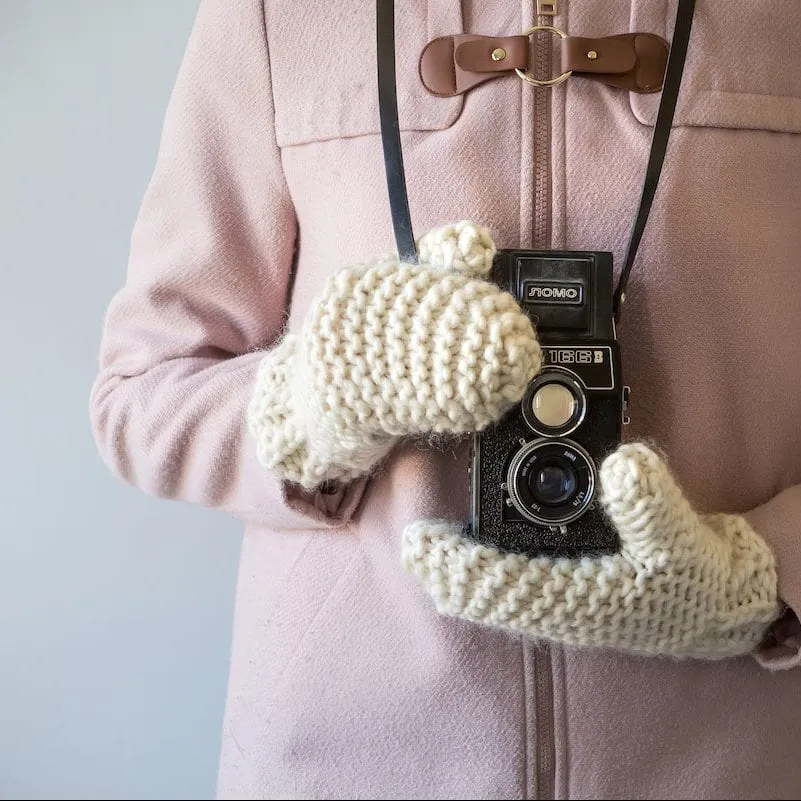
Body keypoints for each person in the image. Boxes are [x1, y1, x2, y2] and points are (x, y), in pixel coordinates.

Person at [90, 0, 801, 797]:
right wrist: (314, 399)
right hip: (345, 762)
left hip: (730, 761)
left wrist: (765, 577)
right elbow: (142, 392)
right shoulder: (270, 13)